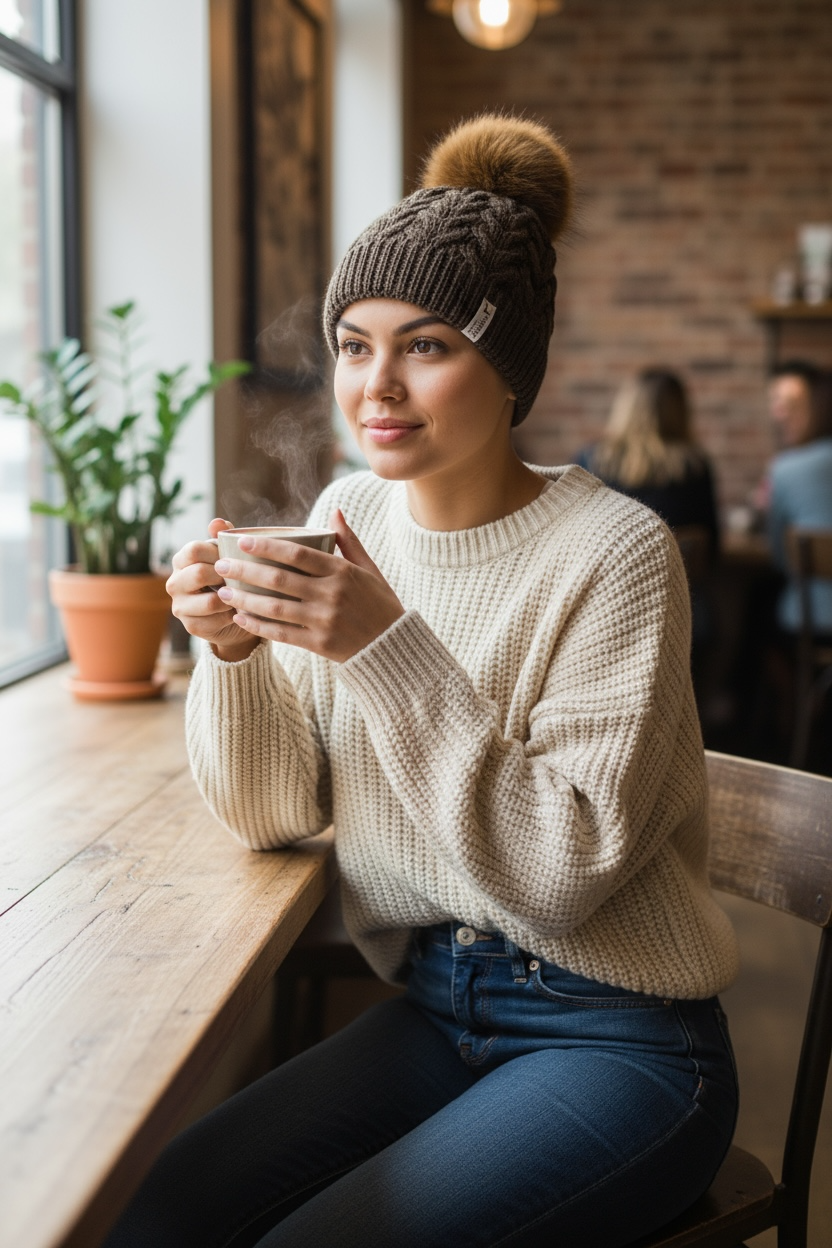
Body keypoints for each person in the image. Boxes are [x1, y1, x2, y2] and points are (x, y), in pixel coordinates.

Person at [105, 115, 740, 1248]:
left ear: (510, 368)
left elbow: (560, 877)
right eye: (353, 344)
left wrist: (383, 650)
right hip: (437, 1007)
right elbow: (273, 812)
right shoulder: (345, 520)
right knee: (160, 1215)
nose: (376, 386)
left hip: (621, 1038)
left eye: (428, 345)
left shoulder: (617, 553)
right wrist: (234, 652)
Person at [577, 368, 720, 554]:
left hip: (606, 579)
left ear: (626, 407)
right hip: (680, 580)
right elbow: (712, 545)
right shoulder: (695, 467)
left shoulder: (591, 461)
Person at [765, 361, 832, 636]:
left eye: (790, 402)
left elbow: (780, 559)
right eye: (774, 400)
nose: (777, 412)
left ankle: (805, 680)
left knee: (758, 604)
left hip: (813, 613)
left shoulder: (786, 468)